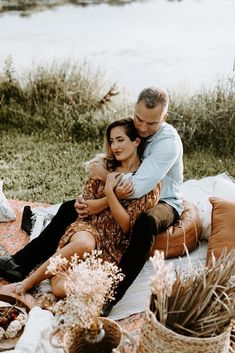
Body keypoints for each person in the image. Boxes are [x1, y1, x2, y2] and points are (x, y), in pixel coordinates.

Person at [0, 87, 183, 308]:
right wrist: (96, 193)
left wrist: (103, 176)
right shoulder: (133, 132)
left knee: (145, 224)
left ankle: (112, 295)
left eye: (151, 123)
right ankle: (20, 263)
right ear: (135, 109)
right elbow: (120, 157)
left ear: (165, 117)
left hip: (163, 200)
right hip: (121, 194)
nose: (142, 127)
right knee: (70, 208)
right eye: (139, 118)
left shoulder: (168, 143)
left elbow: (135, 188)